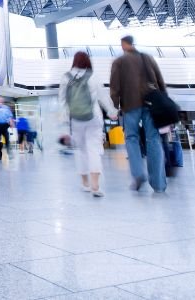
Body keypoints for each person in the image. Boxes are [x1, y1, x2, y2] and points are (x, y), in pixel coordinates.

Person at [110, 35, 167, 192]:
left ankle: (138, 173)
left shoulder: (119, 62)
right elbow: (160, 81)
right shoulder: (147, 58)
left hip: (130, 105)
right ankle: (159, 184)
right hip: (151, 104)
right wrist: (164, 101)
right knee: (153, 139)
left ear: (123, 45)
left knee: (131, 138)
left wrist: (115, 106)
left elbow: (114, 87)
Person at [60, 51, 119, 197]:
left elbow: (62, 101)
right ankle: (95, 185)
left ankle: (85, 183)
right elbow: (103, 96)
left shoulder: (66, 77)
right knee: (93, 149)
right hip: (93, 118)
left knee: (81, 151)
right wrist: (112, 111)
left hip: (75, 119)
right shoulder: (93, 76)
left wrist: (65, 121)